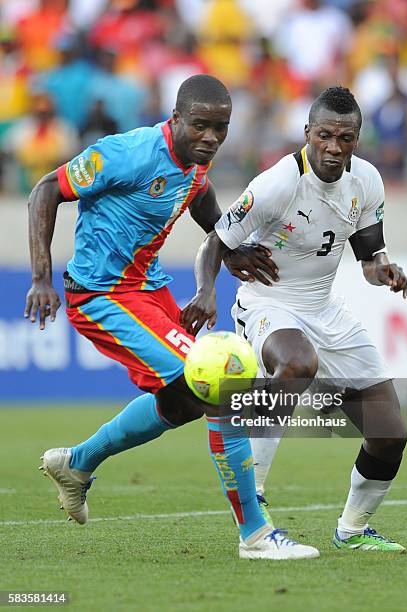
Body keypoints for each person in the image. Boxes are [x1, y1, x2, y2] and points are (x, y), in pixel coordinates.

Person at [25, 74, 318, 561]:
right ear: (175, 118)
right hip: (103, 294)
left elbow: (200, 197)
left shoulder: (195, 162)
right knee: (221, 383)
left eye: (220, 128)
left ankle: (77, 464)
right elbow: (43, 192)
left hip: (149, 290)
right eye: (200, 126)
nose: (211, 138)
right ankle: (256, 533)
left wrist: (230, 248)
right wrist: (40, 277)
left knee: (183, 403)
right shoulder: (124, 153)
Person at [181, 86, 407, 553]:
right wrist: (206, 292)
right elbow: (215, 244)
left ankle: (352, 530)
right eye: (324, 135)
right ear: (307, 133)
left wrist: (382, 268)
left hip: (325, 309)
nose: (333, 147)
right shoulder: (278, 182)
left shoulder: (366, 181)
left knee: (390, 434)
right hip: (269, 303)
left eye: (345, 138)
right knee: (296, 365)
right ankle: (253, 498)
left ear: (357, 139)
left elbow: (368, 255)